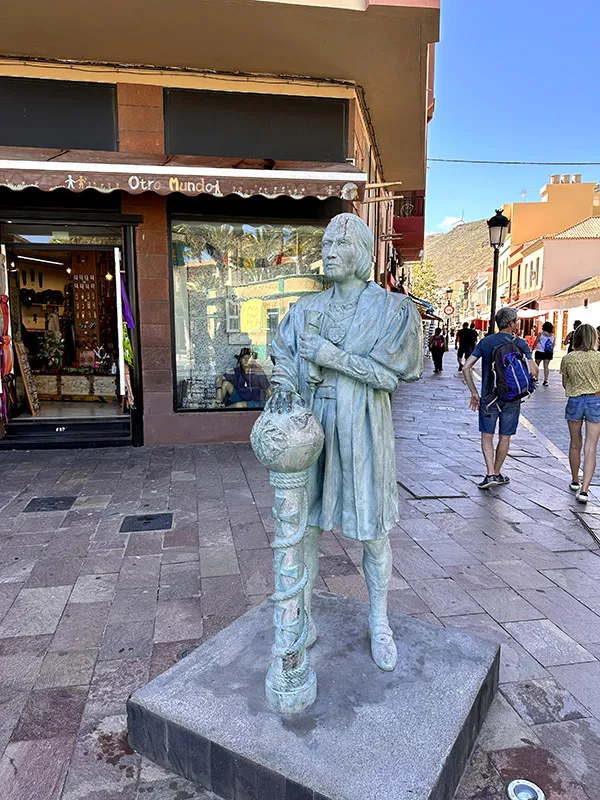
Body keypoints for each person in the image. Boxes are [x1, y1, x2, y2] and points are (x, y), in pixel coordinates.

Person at [269, 213, 422, 671]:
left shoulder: (392, 309)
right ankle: (303, 618)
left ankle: (379, 620)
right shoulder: (305, 308)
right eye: (326, 244)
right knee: (305, 527)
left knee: (373, 531)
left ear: (364, 253)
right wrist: (283, 384)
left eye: (340, 243)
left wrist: (330, 356)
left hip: (364, 428)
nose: (329, 251)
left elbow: (389, 377)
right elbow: (283, 356)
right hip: (312, 428)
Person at [462, 306, 538, 489]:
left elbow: (466, 367)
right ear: (511, 323)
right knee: (505, 436)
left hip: (489, 397)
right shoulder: (520, 343)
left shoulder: (486, 342)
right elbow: (533, 371)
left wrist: (474, 392)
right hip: (512, 397)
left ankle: (490, 474)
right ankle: (497, 473)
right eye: (516, 321)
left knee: (487, 435)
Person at [560, 323, 600, 503]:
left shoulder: (568, 358)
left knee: (575, 443)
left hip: (574, 400)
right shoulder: (598, 358)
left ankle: (575, 479)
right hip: (596, 400)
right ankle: (584, 490)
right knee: (591, 446)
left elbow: (565, 384)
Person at [533, 321, 555, 386]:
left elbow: (536, 342)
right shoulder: (553, 335)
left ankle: (536, 378)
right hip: (548, 352)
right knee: (546, 366)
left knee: (537, 365)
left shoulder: (541, 334)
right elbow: (553, 344)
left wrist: (532, 348)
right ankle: (546, 380)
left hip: (540, 351)